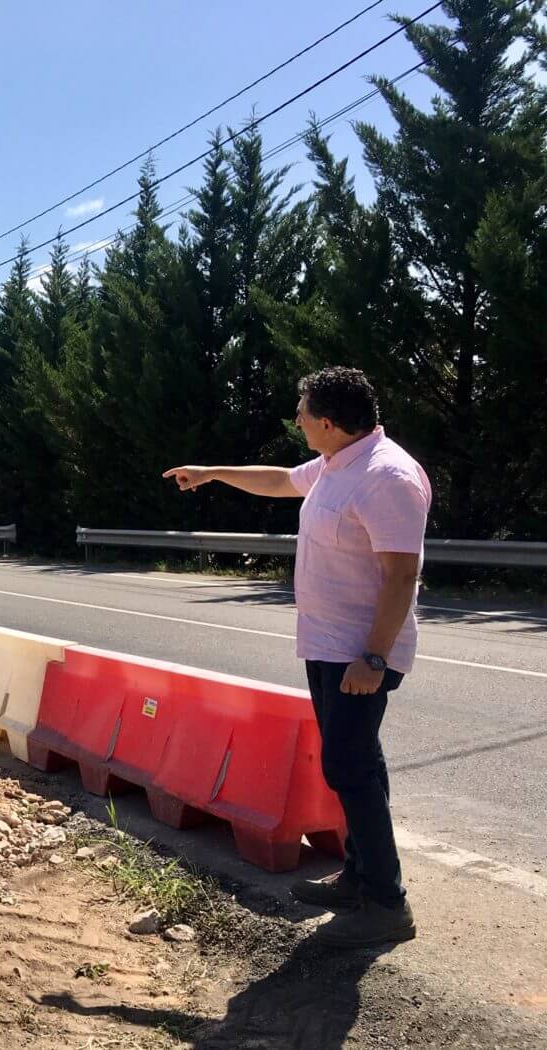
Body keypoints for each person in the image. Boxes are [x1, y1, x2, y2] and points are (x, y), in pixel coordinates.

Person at [163, 366, 429, 949]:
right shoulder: (340, 463)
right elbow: (282, 480)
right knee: (361, 761)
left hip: (359, 653)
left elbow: (402, 573)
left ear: (328, 423)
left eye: (303, 414)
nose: (299, 422)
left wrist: (374, 658)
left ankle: (387, 904)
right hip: (329, 645)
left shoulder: (386, 476)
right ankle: (361, 876)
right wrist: (213, 473)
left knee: (349, 768)